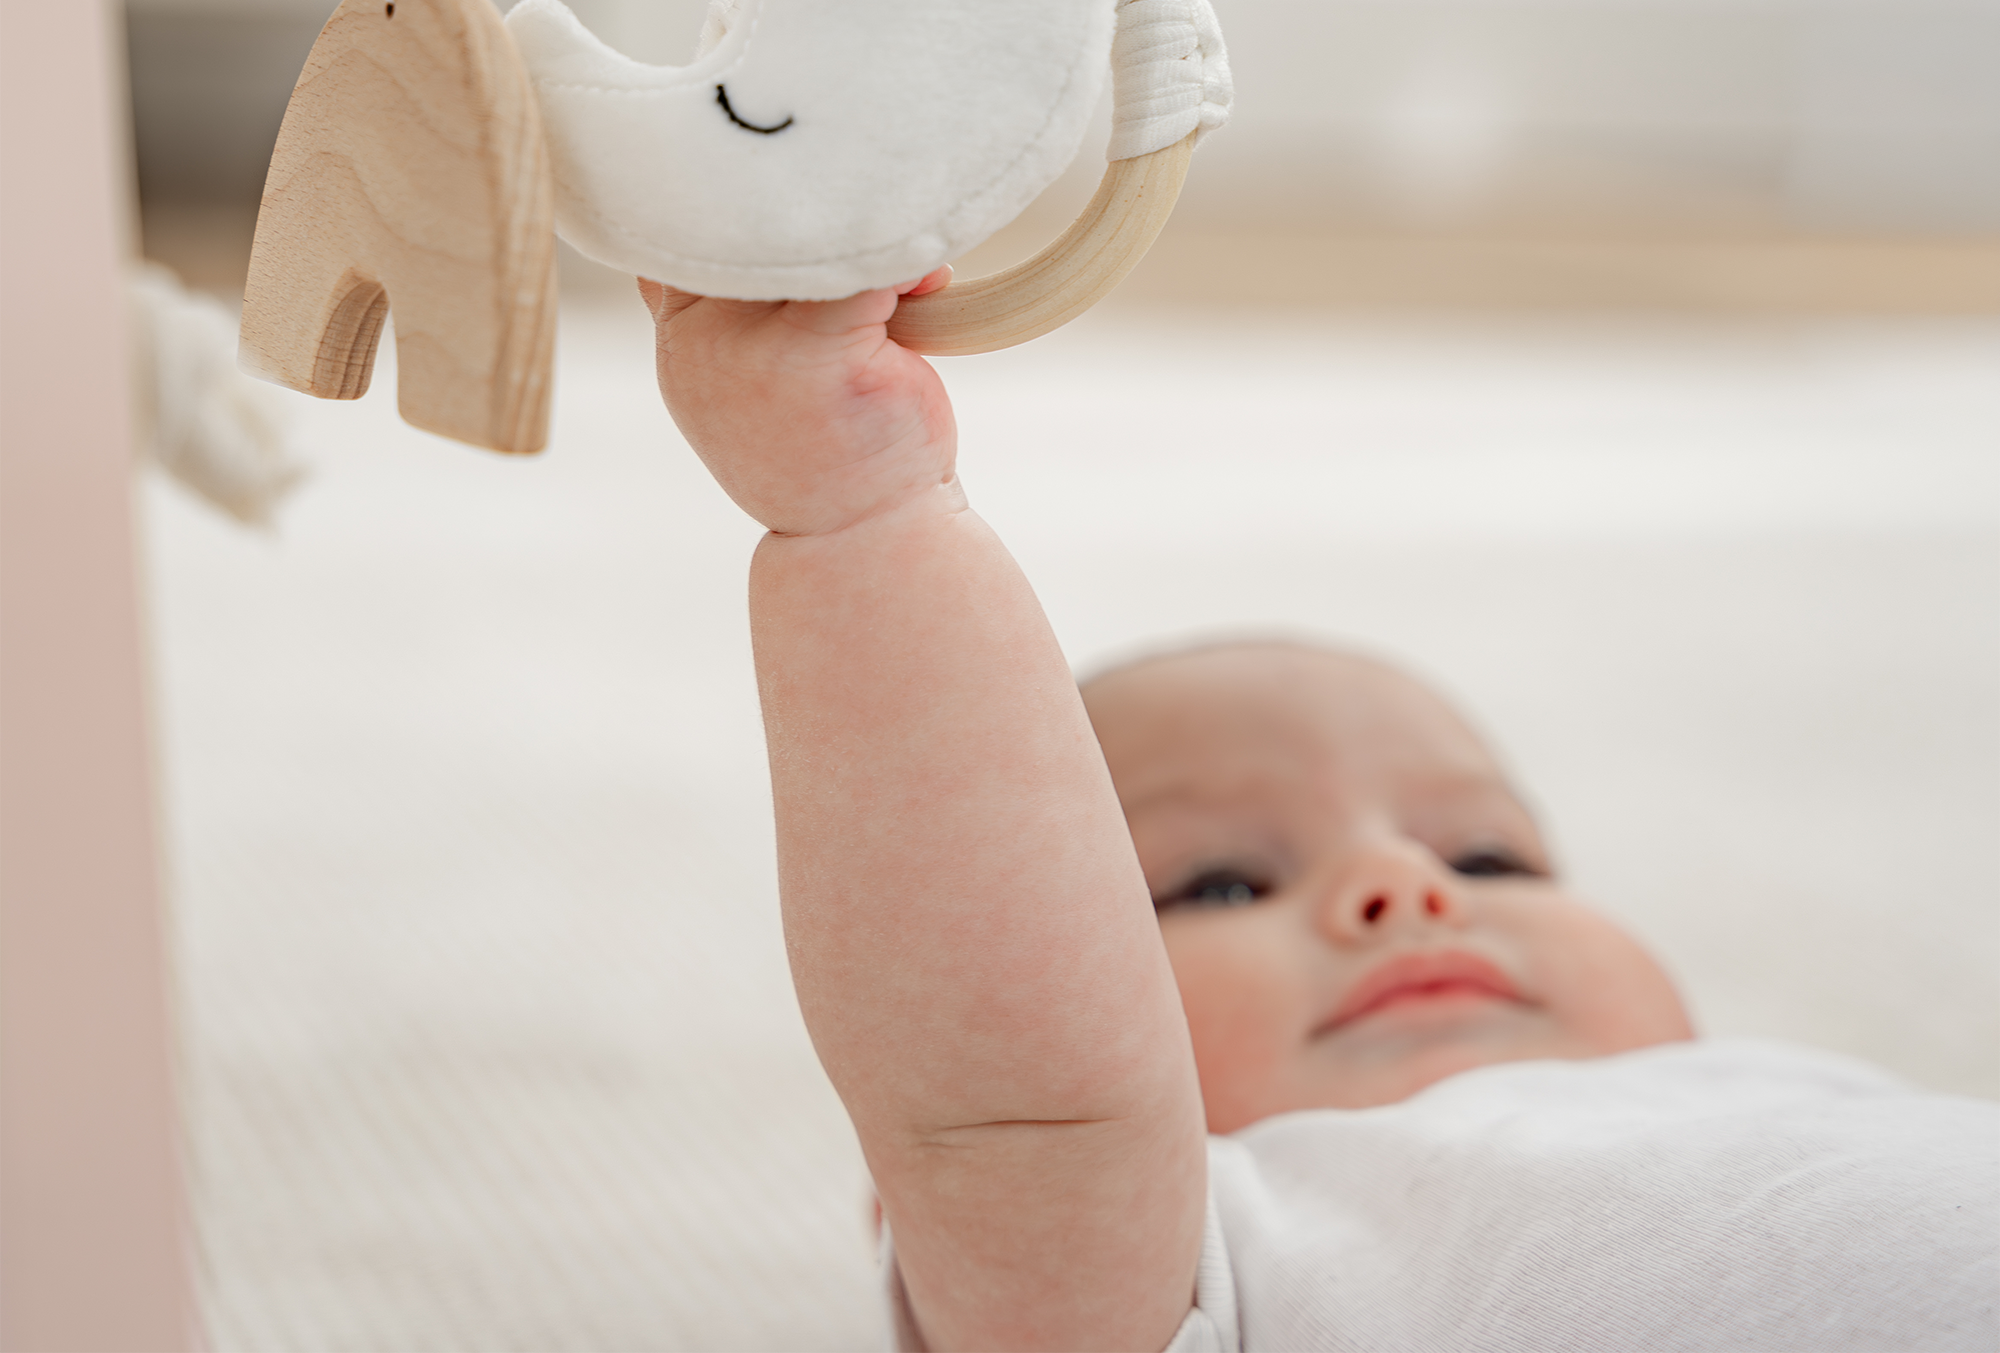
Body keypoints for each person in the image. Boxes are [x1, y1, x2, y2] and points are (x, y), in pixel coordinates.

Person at [640, 275, 1998, 1353]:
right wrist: (861, 506)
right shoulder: (1190, 1248)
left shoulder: (1815, 1099)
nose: (1403, 883)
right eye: (1224, 884)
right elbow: (995, 1063)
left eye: (1489, 855)